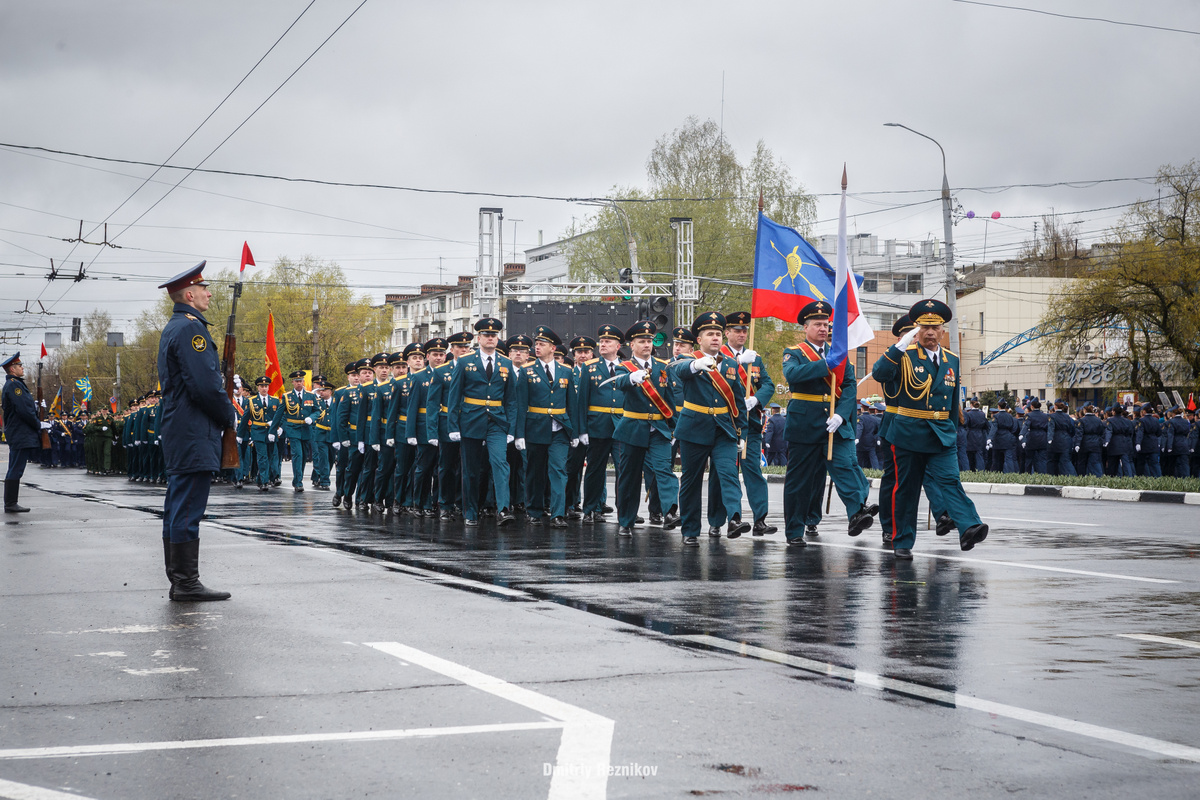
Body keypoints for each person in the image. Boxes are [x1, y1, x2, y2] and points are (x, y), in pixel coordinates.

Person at [870, 298, 987, 561]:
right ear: (916, 329)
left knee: (950, 481)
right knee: (907, 489)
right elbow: (879, 374)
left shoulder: (952, 359)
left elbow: (953, 397)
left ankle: (969, 527)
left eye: (935, 328)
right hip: (909, 432)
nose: (930, 332)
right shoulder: (904, 356)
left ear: (943, 331)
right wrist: (900, 345)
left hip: (941, 432)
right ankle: (902, 541)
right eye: (924, 327)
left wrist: (955, 429)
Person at [155, 262, 234, 601]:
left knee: (178, 504)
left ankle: (181, 581)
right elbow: (204, 386)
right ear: (189, 294)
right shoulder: (191, 330)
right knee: (187, 506)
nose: (209, 293)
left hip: (181, 427)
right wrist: (229, 415)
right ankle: (186, 583)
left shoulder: (176, 327)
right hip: (192, 428)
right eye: (204, 288)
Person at [780, 301, 876, 547]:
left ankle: (856, 513)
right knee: (800, 480)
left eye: (826, 324)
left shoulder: (839, 353)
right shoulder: (795, 352)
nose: (823, 329)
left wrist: (842, 414)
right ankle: (794, 530)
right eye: (818, 324)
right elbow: (793, 376)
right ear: (806, 327)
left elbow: (850, 386)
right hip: (805, 423)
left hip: (835, 422)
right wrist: (826, 364)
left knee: (844, 466)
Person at [669, 312, 747, 546]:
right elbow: (677, 371)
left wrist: (741, 431)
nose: (715, 338)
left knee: (728, 474)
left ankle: (733, 518)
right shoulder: (687, 359)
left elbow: (738, 400)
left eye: (717, 334)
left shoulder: (731, 364)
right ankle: (691, 530)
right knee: (692, 481)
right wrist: (695, 365)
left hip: (723, 429)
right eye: (709, 334)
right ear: (699, 339)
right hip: (694, 428)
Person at [706, 311, 776, 536]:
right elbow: (713, 372)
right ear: (726, 333)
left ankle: (760, 519)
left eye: (745, 330)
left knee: (753, 471)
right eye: (737, 330)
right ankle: (717, 521)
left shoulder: (755, 357)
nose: (742, 334)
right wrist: (737, 362)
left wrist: (756, 399)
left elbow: (768, 384)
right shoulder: (720, 354)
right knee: (722, 473)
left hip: (749, 425)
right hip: (725, 424)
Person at [446, 317, 518, 526]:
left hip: (497, 421)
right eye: (486, 335)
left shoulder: (506, 363)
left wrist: (511, 427)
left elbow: (511, 399)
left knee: (500, 463)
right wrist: (453, 425)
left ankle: (503, 509)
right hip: (471, 419)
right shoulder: (465, 361)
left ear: (497, 339)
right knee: (471, 469)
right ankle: (470, 511)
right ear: (478, 338)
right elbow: (454, 395)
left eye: (494, 335)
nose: (490, 338)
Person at [611, 321, 679, 535]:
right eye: (642, 341)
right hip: (633, 427)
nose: (647, 345)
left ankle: (670, 511)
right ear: (632, 345)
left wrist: (674, 428)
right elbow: (618, 383)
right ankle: (626, 521)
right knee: (630, 477)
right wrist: (631, 378)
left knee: (664, 470)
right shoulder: (624, 367)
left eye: (649, 341)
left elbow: (669, 399)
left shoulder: (662, 366)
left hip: (658, 429)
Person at [514, 326, 577, 528]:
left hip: (559, 428)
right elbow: (520, 404)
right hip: (535, 428)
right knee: (534, 471)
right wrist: (519, 433)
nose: (537, 348)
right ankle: (534, 509)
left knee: (559, 470)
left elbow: (572, 404)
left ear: (552, 347)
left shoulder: (566, 371)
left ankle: (558, 513)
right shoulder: (527, 371)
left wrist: (574, 431)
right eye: (537, 344)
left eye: (542, 344)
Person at [577, 324, 627, 523]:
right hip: (596, 426)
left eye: (608, 341)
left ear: (618, 345)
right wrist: (582, 430)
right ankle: (591, 509)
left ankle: (625, 511)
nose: (603, 344)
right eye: (602, 341)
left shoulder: (627, 367)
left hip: (621, 426)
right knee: (594, 470)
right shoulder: (590, 367)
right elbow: (581, 401)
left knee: (624, 470)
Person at [3, 352, 51, 513]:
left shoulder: (14, 384)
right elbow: (23, 410)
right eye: (19, 366)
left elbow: (23, 406)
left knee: (15, 467)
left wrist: (36, 406)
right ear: (12, 369)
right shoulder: (14, 385)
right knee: (16, 467)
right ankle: (10, 503)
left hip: (18, 432)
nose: (22, 368)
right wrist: (38, 424)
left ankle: (11, 502)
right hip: (19, 432)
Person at [273, 370, 317, 492]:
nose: (299, 383)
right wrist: (273, 430)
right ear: (292, 382)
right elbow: (279, 414)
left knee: (303, 457)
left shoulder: (310, 396)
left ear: (304, 382)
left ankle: (299, 478)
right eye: (296, 381)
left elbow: (317, 411)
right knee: (297, 454)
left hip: (306, 430)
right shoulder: (287, 397)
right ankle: (298, 482)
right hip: (293, 430)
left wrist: (311, 418)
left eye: (301, 381)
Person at [330, 362, 360, 507]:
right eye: (353, 375)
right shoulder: (341, 392)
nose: (356, 378)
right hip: (344, 436)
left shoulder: (366, 390)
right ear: (348, 377)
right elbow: (336, 417)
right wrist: (336, 439)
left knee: (356, 467)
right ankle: (339, 492)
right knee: (342, 466)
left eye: (357, 375)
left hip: (358, 436)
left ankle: (350, 495)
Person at [311, 376, 333, 489]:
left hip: (333, 435)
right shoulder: (317, 402)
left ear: (330, 391)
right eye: (321, 390)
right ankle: (325, 481)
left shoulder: (336, 402)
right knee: (323, 457)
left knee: (331, 458)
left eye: (324, 390)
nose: (322, 392)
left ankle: (320, 476)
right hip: (320, 433)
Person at [1019, 398, 1051, 474]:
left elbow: (1026, 425)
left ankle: (1027, 475)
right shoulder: (1045, 416)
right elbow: (1048, 428)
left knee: (1029, 459)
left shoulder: (1029, 415)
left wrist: (1021, 434)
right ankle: (1043, 475)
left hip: (1032, 438)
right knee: (1042, 460)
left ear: (1032, 406)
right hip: (1043, 437)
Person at [1047, 401, 1077, 476]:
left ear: (1055, 407)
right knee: (1066, 460)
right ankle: (1072, 476)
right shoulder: (1067, 416)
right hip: (1066, 439)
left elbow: (1051, 428)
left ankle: (1053, 476)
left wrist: (1049, 439)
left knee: (1053, 461)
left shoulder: (1052, 416)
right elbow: (1072, 429)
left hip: (1056, 439)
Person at [1134, 403, 1162, 478]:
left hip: (1144, 444)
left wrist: (1138, 443)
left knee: (1142, 464)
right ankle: (1158, 479)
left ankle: (1143, 478)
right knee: (1155, 464)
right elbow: (1159, 433)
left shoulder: (1141, 420)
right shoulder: (1156, 420)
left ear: (1143, 412)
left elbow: (1140, 432)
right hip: (1154, 444)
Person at [964, 400, 988, 471]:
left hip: (970, 435)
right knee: (979, 455)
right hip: (979, 435)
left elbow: (966, 424)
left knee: (969, 455)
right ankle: (981, 471)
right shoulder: (982, 414)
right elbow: (986, 426)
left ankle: (970, 470)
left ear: (971, 405)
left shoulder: (969, 414)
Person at [856, 400, 880, 469]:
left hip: (861, 441)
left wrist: (857, 437)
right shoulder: (874, 419)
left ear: (862, 408)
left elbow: (859, 428)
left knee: (860, 459)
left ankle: (860, 471)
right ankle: (877, 471)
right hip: (871, 441)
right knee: (873, 457)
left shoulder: (860, 418)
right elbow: (876, 430)